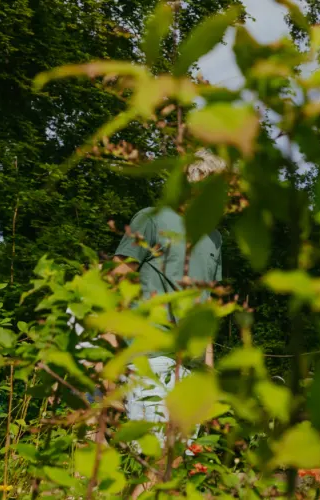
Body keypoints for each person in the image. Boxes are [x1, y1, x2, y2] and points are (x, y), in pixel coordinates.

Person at [102, 149, 232, 426]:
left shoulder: (215, 238)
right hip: (151, 357)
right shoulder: (152, 219)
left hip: (192, 367)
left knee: (185, 460)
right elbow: (116, 281)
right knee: (153, 458)